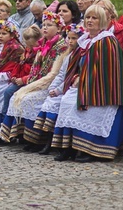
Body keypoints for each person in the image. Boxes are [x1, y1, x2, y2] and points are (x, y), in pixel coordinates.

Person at [51, 5, 123, 162]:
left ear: (101, 20)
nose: (90, 21)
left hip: (104, 90)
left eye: (94, 18)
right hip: (85, 84)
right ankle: (69, 148)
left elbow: (106, 71)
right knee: (66, 102)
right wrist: (75, 77)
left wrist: (82, 81)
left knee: (82, 107)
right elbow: (76, 65)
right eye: (88, 17)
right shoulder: (85, 40)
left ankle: (93, 149)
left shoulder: (107, 41)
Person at [0, 10, 69, 149]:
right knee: (15, 96)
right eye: (44, 24)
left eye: (49, 25)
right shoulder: (43, 44)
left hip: (49, 84)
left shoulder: (61, 46)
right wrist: (29, 82)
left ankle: (36, 139)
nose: (45, 27)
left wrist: (31, 84)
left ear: (59, 28)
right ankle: (21, 135)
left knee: (27, 99)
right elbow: (35, 69)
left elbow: (53, 73)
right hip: (37, 81)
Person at [33, 22, 86, 154]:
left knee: (59, 104)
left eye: (74, 38)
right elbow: (61, 74)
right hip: (64, 88)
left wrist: (58, 90)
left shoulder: (81, 55)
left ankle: (60, 144)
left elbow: (73, 76)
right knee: (49, 103)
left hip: (71, 89)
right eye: (69, 38)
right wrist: (52, 87)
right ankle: (47, 140)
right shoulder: (68, 55)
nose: (71, 41)